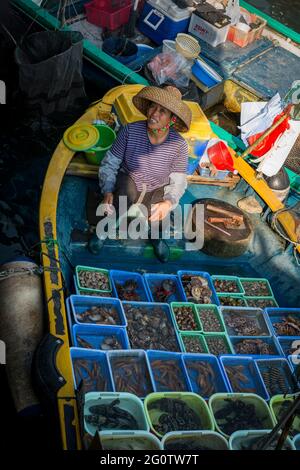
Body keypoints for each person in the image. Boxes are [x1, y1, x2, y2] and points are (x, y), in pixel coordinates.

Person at [98, 85, 192, 262]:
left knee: (158, 210)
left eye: (162, 111)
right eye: (152, 107)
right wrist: (107, 190)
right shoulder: (129, 131)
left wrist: (168, 202)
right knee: (122, 196)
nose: (154, 113)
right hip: (131, 179)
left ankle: (156, 238)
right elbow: (110, 163)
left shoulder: (178, 145)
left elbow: (179, 181)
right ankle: (104, 231)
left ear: (171, 120)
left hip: (157, 186)